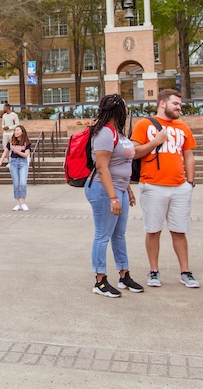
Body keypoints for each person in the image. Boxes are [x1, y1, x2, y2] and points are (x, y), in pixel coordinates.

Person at [131, 89, 199, 289]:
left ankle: (185, 272)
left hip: (179, 187)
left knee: (179, 230)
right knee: (153, 230)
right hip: (152, 185)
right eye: (175, 103)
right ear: (162, 103)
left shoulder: (183, 127)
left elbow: (189, 156)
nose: (179, 107)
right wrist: (155, 141)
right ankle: (153, 271)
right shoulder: (144, 124)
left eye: (180, 104)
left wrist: (190, 183)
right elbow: (134, 152)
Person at [85, 94, 142, 298]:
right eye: (124, 107)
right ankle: (99, 280)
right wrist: (113, 197)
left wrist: (126, 189)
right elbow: (102, 167)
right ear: (117, 109)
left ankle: (124, 274)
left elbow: (122, 165)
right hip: (103, 189)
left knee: (119, 234)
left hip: (119, 189)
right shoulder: (104, 134)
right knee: (103, 235)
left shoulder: (118, 133)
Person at [0, 125, 32, 211]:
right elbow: (5, 152)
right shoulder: (11, 141)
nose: (16, 132)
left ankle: (23, 203)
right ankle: (17, 204)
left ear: (22, 132)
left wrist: (17, 151)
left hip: (23, 163)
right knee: (16, 184)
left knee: (23, 183)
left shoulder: (26, 142)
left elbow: (26, 155)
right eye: (15, 130)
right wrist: (0, 162)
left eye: (18, 130)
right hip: (13, 163)